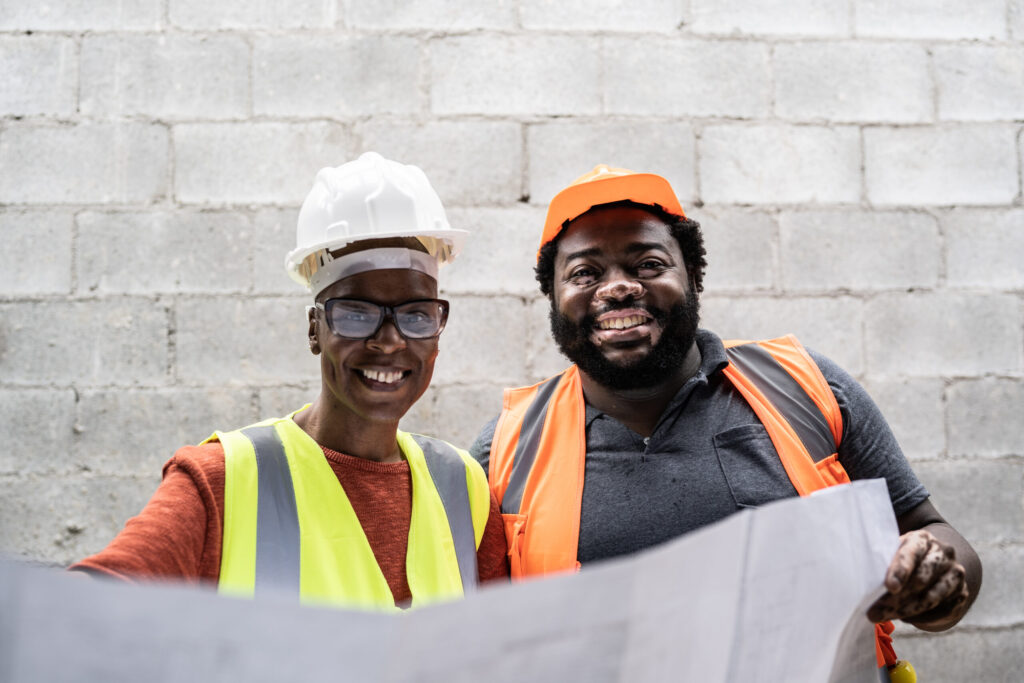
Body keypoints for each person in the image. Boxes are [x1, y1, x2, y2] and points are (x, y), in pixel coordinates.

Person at [470, 164, 981, 677]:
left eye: (647, 263)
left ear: (692, 276)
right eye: (585, 273)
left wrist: (934, 579)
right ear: (554, 298)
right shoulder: (506, 448)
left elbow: (933, 533)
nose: (618, 289)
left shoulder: (805, 388)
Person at [73, 152, 508, 610]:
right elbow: (85, 605)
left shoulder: (464, 488)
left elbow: (508, 650)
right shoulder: (222, 481)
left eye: (416, 314)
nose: (389, 341)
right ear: (314, 330)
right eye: (356, 312)